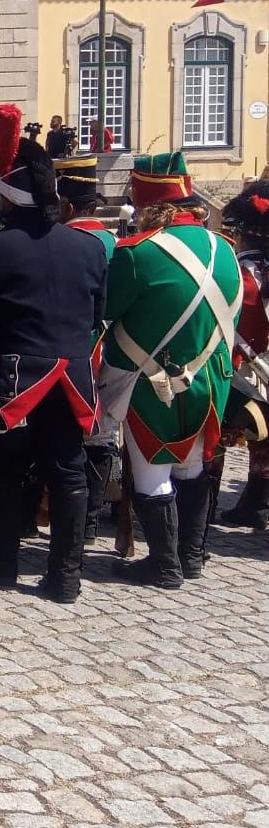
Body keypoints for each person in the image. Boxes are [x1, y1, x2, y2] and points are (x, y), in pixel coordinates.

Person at [0, 112, 106, 603]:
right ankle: (65, 574)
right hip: (70, 378)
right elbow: (96, 314)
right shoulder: (88, 248)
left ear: (7, 195)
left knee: (4, 469)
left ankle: (1, 559)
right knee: (67, 470)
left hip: (15, 375)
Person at [104, 153, 241, 589]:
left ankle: (164, 565)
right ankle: (191, 557)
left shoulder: (137, 253)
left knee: (151, 472)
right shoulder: (226, 250)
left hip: (152, 382)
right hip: (212, 381)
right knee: (193, 468)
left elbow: (107, 310)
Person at [57, 155, 116, 544]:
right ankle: (92, 519)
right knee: (102, 433)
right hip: (112, 353)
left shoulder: (65, 243)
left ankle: (75, 517)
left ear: (67, 205)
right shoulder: (119, 242)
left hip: (72, 352)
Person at [220, 184, 269, 530]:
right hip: (264, 367)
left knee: (225, 437)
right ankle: (257, 500)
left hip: (245, 369)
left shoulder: (236, 271)